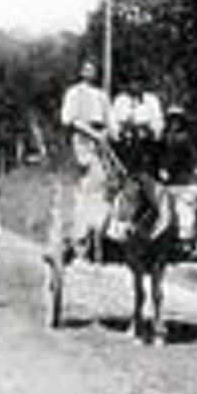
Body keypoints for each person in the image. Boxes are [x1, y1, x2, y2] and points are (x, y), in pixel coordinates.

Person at [60, 61, 112, 260]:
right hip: (81, 139)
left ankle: (104, 226)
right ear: (81, 72)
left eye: (93, 70)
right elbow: (68, 120)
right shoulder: (74, 93)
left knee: (109, 180)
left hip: (101, 141)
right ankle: (80, 233)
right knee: (88, 181)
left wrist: (107, 134)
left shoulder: (101, 95)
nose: (90, 73)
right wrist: (92, 134)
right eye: (86, 70)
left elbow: (110, 120)